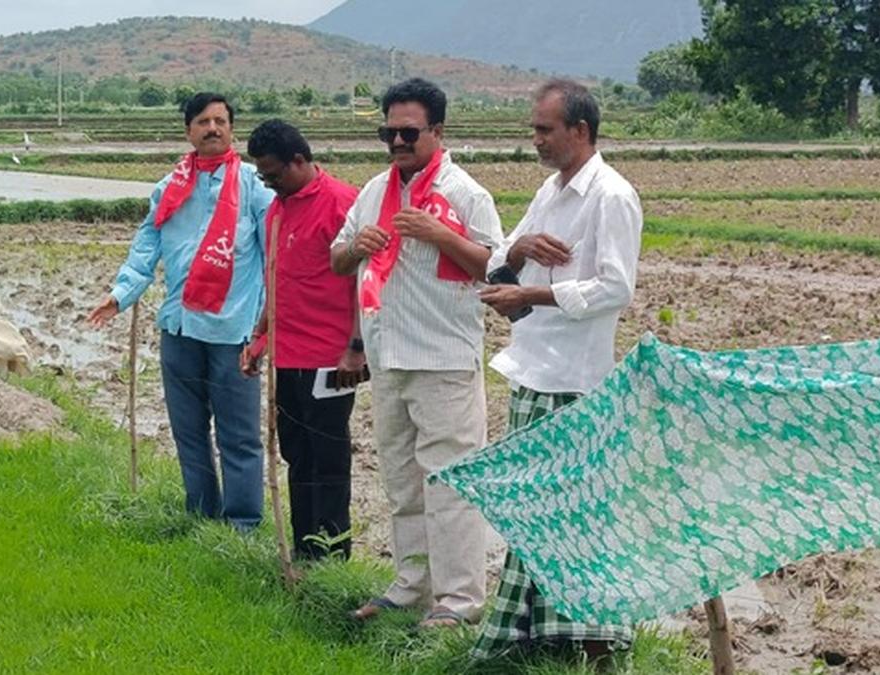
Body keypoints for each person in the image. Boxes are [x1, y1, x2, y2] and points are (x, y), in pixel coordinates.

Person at [475, 79, 643, 661]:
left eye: (545, 129)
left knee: (564, 509)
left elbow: (616, 288)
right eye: (535, 128)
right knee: (538, 507)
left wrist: (534, 298)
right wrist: (521, 255)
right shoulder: (552, 189)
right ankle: (548, 637)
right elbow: (504, 259)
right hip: (534, 367)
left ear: (580, 131)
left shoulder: (612, 197)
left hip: (575, 376)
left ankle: (580, 637)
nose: (536, 139)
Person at [329, 77, 504, 628]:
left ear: (437, 132)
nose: (398, 142)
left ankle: (458, 601)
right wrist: (356, 247)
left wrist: (439, 234)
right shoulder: (374, 191)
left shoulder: (465, 194)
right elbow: (337, 258)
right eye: (390, 132)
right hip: (388, 358)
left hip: (445, 360)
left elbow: (496, 270)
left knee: (449, 483)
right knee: (402, 481)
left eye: (409, 132)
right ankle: (411, 583)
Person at [88, 93, 274, 530]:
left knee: (239, 436)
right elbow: (146, 247)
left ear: (232, 129)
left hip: (234, 331)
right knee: (188, 432)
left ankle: (243, 525)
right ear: (188, 130)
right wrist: (121, 294)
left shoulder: (255, 187)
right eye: (204, 122)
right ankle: (202, 515)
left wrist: (266, 326)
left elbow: (274, 260)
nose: (213, 129)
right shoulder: (169, 187)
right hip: (180, 327)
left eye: (221, 121)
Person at [241, 119, 364, 560]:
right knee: (297, 454)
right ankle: (304, 549)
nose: (269, 184)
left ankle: (333, 556)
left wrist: (356, 347)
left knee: (328, 456)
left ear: (299, 160)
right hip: (288, 356)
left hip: (331, 359)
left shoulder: (342, 203)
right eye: (262, 177)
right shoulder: (279, 207)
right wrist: (260, 337)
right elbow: (279, 278)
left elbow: (363, 285)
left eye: (274, 174)